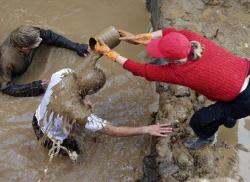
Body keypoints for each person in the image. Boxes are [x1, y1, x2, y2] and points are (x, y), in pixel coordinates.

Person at [94, 27, 250, 150]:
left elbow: (140, 70)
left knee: (199, 121)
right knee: (226, 106)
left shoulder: (180, 72)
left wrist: (110, 54)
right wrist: (137, 37)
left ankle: (207, 138)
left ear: (170, 59)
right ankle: (229, 118)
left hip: (244, 99)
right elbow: (167, 32)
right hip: (245, 70)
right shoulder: (189, 37)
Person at [33, 68, 172, 157]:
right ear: (92, 91)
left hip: (37, 118)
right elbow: (113, 131)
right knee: (77, 157)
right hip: (53, 140)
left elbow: (66, 90)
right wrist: (147, 129)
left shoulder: (64, 72)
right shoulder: (81, 114)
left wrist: (83, 99)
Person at [0, 25, 89, 97]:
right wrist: (34, 87)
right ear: (24, 48)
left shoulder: (30, 32)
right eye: (36, 43)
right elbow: (5, 87)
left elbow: (50, 36)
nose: (41, 40)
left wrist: (76, 46)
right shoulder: (5, 60)